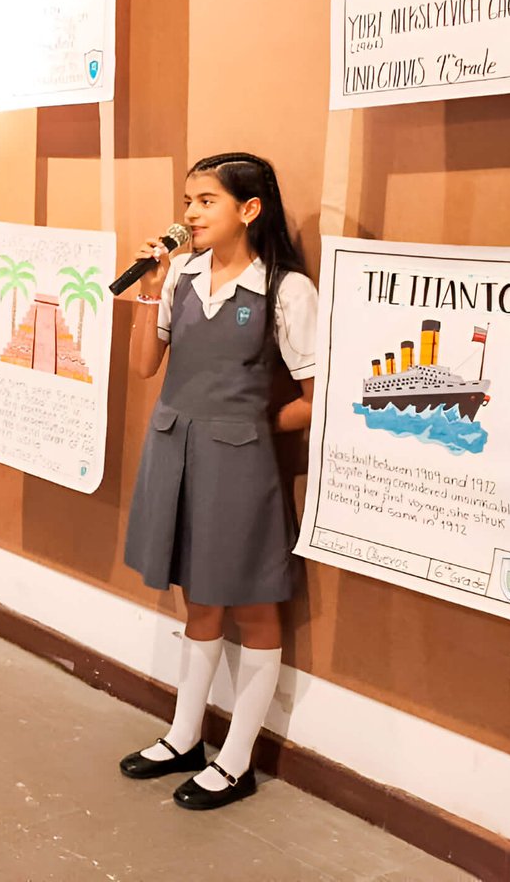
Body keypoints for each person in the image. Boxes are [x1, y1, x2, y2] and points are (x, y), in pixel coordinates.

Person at [118, 152, 317, 811]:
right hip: (175, 448)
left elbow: (317, 397)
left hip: (241, 463)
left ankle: (237, 761)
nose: (190, 214)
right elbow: (146, 366)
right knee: (198, 599)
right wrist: (153, 284)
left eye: (205, 201)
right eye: (187, 201)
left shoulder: (285, 290)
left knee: (254, 603)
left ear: (248, 210)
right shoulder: (184, 275)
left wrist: (256, 425)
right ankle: (184, 737)